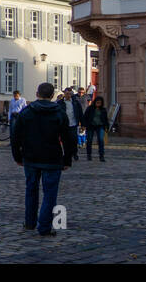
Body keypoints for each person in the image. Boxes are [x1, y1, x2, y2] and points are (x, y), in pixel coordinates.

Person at [11, 82, 76, 236]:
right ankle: (44, 227)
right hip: (52, 158)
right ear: (52, 95)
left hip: (31, 157)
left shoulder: (26, 113)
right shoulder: (59, 113)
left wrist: (18, 156)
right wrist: (67, 160)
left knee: (31, 190)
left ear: (37, 93)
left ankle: (29, 222)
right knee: (50, 194)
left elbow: (15, 137)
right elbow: (68, 139)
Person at [58, 87, 84, 160]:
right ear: (64, 94)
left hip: (73, 124)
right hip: (64, 125)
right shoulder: (60, 103)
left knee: (73, 140)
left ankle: (74, 153)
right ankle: (67, 154)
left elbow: (80, 114)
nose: (68, 95)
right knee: (65, 141)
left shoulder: (75, 102)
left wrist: (83, 124)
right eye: (67, 94)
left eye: (70, 94)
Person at [83, 95, 110, 162]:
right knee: (89, 140)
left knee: (101, 141)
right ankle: (89, 155)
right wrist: (84, 125)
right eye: (97, 102)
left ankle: (101, 156)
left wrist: (107, 126)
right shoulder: (90, 108)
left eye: (100, 103)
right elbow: (85, 117)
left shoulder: (103, 110)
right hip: (91, 126)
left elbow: (106, 119)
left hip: (100, 126)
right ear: (95, 102)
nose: (98, 104)